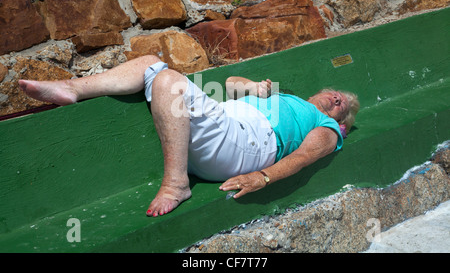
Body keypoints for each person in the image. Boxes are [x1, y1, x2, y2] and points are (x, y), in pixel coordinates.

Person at [18, 55, 359, 217]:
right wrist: (253, 87)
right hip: (214, 128)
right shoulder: (286, 97)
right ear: (320, 92)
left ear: (339, 118)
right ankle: (71, 88)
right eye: (337, 94)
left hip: (247, 147)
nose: (339, 99)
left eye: (344, 106)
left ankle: (175, 184)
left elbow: (305, 156)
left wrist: (263, 176)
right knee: (151, 63)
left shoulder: (326, 128)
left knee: (167, 81)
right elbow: (229, 85)